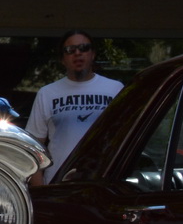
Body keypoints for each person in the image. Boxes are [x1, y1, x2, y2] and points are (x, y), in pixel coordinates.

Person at [25, 29, 125, 180]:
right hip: (58, 184)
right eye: (70, 50)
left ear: (93, 54)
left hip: (103, 183)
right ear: (62, 59)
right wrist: (40, 189)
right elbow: (34, 147)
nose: (78, 53)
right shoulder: (47, 93)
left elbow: (124, 137)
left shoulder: (115, 89)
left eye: (84, 48)